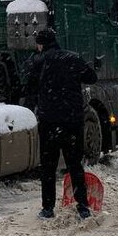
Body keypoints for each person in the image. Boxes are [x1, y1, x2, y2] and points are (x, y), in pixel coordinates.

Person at [23, 27, 97, 220]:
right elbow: (91, 78)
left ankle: (48, 209)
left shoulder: (36, 61)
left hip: (48, 122)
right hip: (72, 120)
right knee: (75, 165)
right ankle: (83, 207)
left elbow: (29, 89)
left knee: (48, 167)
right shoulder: (72, 58)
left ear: (40, 44)